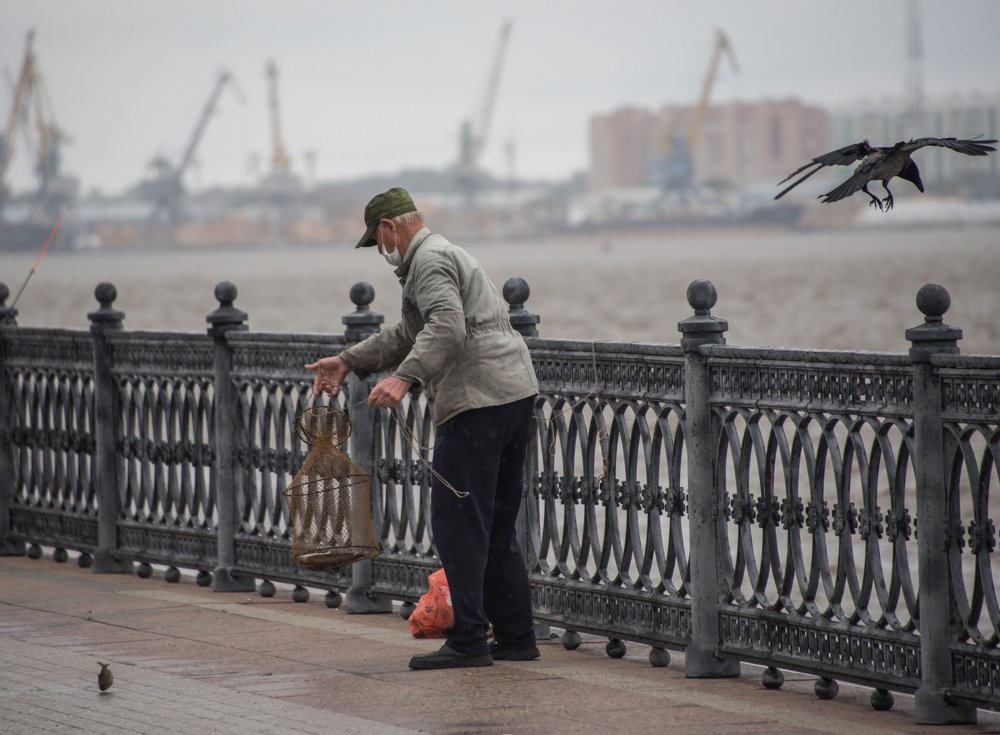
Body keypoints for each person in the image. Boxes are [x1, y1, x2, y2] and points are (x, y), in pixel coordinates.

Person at [305, 187, 540, 670]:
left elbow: (447, 328)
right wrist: (349, 360)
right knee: (495, 525)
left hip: (476, 402)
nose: (381, 251)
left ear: (390, 227)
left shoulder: (429, 262)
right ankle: (517, 637)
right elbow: (408, 333)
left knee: (459, 527)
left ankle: (470, 640)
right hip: (514, 394)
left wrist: (404, 379)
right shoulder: (443, 254)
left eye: (377, 241)